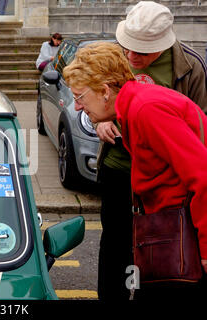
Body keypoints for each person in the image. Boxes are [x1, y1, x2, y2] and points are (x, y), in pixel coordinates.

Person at [63, 41, 207, 300]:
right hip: (168, 230)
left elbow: (203, 176)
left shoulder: (145, 109)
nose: (77, 107)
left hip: (179, 237)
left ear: (105, 91)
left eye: (79, 96)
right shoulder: (134, 105)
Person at [94, 1, 207, 301]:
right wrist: (100, 126)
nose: (131, 56)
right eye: (128, 47)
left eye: (141, 51)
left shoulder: (191, 66)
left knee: (163, 254)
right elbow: (92, 100)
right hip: (120, 170)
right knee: (116, 247)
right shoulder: (115, 57)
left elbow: (199, 129)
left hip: (165, 186)